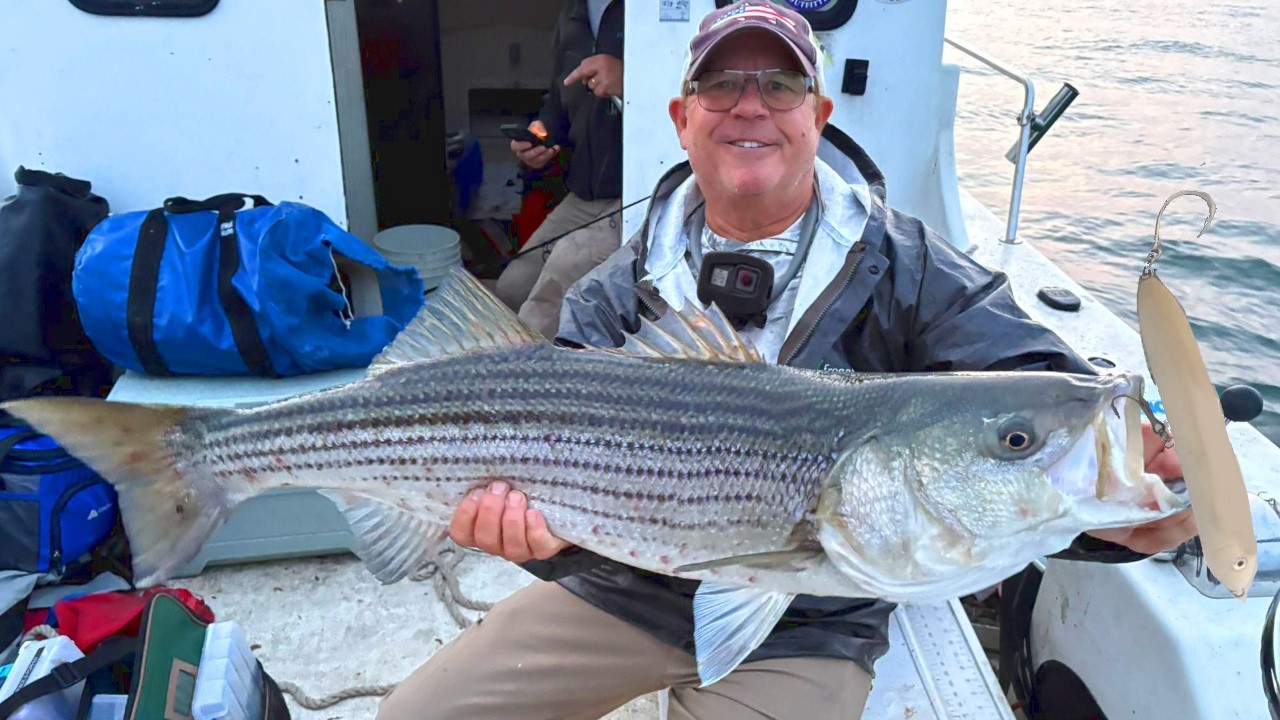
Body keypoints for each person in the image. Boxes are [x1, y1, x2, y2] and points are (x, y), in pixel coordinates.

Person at [376, 2, 1198, 718]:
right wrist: (537, 542)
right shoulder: (610, 292)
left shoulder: (912, 268)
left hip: (811, 619)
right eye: (721, 85)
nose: (750, 107)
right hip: (624, 591)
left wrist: (1130, 503)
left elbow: (1031, 396)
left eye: (780, 85)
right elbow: (571, 491)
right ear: (681, 116)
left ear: (819, 112)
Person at [494, 0, 626, 339]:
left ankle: (519, 384)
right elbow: (557, 100)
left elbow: (705, 92)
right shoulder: (573, 13)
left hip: (644, 193)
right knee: (511, 287)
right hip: (585, 193)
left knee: (553, 288)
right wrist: (542, 133)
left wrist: (631, 80)